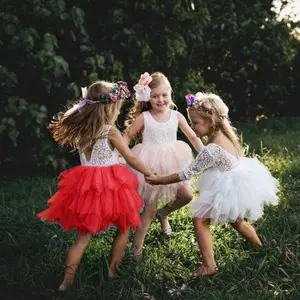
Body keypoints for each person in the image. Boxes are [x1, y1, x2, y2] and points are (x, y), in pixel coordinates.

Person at [145, 92, 278, 276]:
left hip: (227, 187)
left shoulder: (212, 150)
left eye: (195, 123)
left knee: (199, 219)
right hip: (236, 182)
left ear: (210, 121)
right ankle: (261, 248)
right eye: (190, 122)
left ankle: (209, 265)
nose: (192, 127)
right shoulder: (224, 133)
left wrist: (160, 180)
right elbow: (205, 158)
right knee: (237, 222)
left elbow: (186, 173)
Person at [37, 80, 153, 291]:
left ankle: (66, 282)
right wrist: (149, 172)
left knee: (82, 238)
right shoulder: (110, 131)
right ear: (110, 106)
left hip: (87, 185)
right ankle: (112, 272)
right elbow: (130, 158)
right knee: (124, 227)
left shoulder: (82, 128)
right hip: (111, 186)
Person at [125, 72, 203, 258]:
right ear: (147, 98)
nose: (160, 100)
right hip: (150, 164)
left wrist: (205, 154)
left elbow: (192, 136)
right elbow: (127, 135)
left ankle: (164, 213)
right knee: (149, 208)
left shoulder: (176, 115)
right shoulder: (145, 117)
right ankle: (137, 248)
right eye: (155, 96)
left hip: (173, 162)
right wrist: (122, 154)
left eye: (164, 95)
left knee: (186, 195)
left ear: (170, 93)